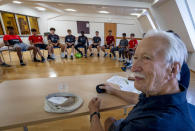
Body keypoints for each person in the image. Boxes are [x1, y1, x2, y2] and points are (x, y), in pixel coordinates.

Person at [88, 30, 195, 131]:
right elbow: (139, 99)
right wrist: (113, 90)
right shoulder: (170, 97)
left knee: (109, 121)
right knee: (111, 120)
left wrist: (94, 113)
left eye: (146, 58)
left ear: (173, 69)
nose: (133, 68)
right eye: (135, 58)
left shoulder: (148, 125)